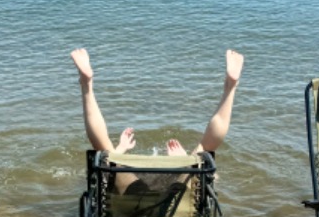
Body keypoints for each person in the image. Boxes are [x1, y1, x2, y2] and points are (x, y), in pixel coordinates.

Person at [70, 47, 244, 195]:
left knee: (105, 153)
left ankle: (86, 84)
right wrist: (184, 160)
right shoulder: (180, 201)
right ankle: (230, 87)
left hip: (129, 199)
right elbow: (214, 178)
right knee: (205, 152)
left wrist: (121, 149)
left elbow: (106, 172)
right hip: (174, 199)